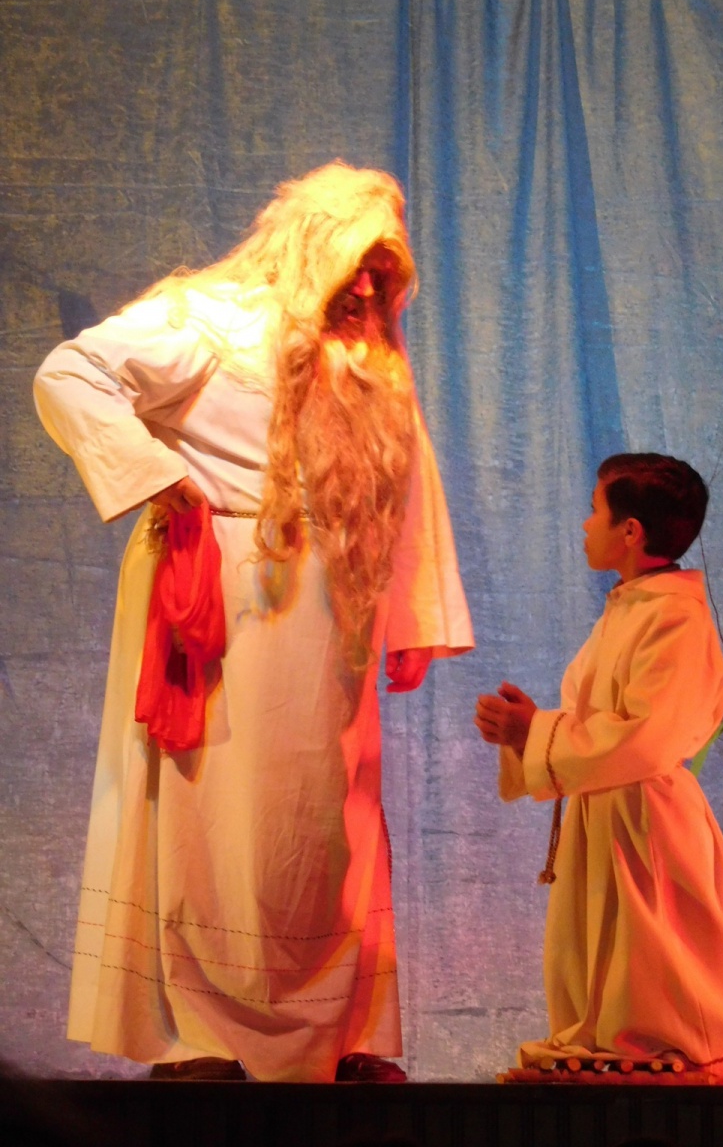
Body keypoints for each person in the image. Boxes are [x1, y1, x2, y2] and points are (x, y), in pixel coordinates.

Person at [34, 161, 474, 1083]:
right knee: (221, 816)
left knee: (328, 821)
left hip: (334, 615)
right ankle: (208, 1035)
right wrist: (158, 478)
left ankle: (331, 1032)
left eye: (384, 273)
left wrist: (415, 616)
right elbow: (72, 372)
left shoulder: (372, 357)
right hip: (231, 595)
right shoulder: (214, 321)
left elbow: (408, 482)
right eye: (356, 265)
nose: (367, 290)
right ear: (310, 246)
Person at [474, 453, 723, 1086]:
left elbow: (648, 735)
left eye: (595, 511)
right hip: (609, 815)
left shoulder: (675, 617)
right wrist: (532, 727)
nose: (585, 523)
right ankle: (618, 1047)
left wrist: (536, 733)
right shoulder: (631, 606)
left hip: (646, 822)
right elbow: (609, 718)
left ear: (630, 531)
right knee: (636, 964)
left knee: (682, 972)